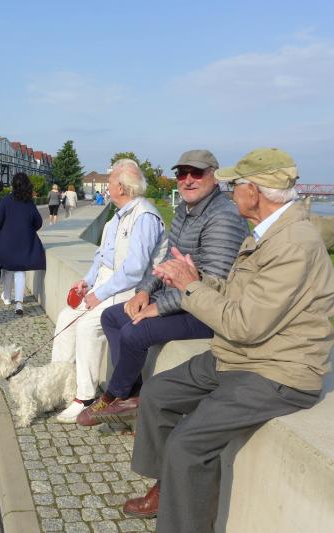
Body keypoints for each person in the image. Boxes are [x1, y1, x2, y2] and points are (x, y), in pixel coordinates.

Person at [123, 148, 334, 533]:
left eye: (235, 184)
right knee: (156, 393)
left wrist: (190, 288)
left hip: (278, 371)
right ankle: (167, 486)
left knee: (188, 445)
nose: (230, 190)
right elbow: (241, 297)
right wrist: (197, 280)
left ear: (254, 192)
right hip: (243, 356)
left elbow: (244, 324)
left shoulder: (292, 243)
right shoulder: (268, 233)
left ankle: (182, 512)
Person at [78, 149, 248, 426]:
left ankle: (115, 396)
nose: (187, 180)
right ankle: (132, 394)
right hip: (181, 299)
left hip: (206, 312)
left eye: (196, 173)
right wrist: (144, 292)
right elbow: (167, 260)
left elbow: (214, 286)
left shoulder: (223, 217)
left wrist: (159, 308)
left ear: (214, 177)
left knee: (135, 331)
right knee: (112, 317)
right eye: (182, 173)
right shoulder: (185, 210)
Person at [51, 160, 167, 423]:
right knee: (66, 318)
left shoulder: (144, 217)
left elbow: (135, 269)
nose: (107, 185)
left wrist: (100, 294)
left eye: (111, 181)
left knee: (87, 326)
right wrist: (87, 282)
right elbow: (101, 257)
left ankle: (85, 397)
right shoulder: (117, 216)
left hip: (129, 290)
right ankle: (58, 383)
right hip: (107, 284)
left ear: (123, 188)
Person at [0, 173, 46, 316]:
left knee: (7, 269)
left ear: (13, 185)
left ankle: (7, 297)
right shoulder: (29, 202)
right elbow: (38, 222)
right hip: (24, 242)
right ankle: (19, 303)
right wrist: (27, 229)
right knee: (20, 271)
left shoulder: (6, 200)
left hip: (5, 243)